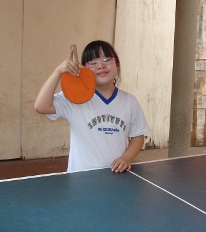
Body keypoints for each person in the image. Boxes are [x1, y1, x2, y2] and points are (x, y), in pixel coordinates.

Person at [34, 40, 149, 172]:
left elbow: (138, 136)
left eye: (106, 59)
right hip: (80, 179)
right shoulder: (75, 99)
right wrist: (57, 72)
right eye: (93, 63)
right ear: (85, 70)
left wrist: (126, 158)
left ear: (116, 64)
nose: (101, 66)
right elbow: (41, 106)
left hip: (116, 175)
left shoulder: (130, 101)